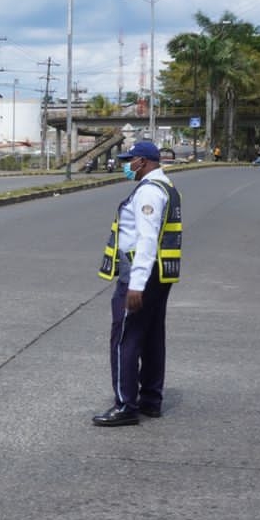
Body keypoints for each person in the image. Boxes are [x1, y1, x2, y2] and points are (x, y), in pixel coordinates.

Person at [94, 141, 181, 427]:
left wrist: (136, 284)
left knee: (125, 338)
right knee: (152, 336)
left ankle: (125, 405)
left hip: (141, 274)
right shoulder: (166, 186)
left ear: (142, 162)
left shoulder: (149, 192)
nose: (126, 165)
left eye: (129, 160)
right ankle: (150, 400)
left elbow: (146, 239)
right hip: (161, 274)